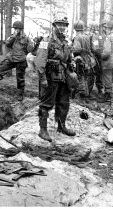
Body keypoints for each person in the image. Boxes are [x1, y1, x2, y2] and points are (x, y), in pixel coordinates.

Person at [34, 13, 76, 142]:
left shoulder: (65, 41)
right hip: (50, 77)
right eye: (59, 25)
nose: (62, 27)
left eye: (64, 25)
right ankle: (43, 130)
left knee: (64, 103)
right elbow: (40, 61)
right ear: (54, 26)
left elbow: (68, 57)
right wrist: (43, 79)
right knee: (46, 104)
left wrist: (72, 62)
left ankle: (61, 126)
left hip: (63, 76)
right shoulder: (46, 41)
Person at [0, 21, 34, 101]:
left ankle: (20, 95)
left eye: (17, 28)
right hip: (11, 58)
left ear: (21, 29)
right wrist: (14, 36)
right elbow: (7, 44)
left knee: (20, 79)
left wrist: (32, 45)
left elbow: (30, 50)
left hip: (21, 60)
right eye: (15, 28)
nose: (16, 30)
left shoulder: (27, 38)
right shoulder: (12, 37)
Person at [72, 20, 96, 101]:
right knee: (88, 77)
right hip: (89, 60)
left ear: (75, 28)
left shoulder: (77, 37)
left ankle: (82, 95)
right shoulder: (87, 37)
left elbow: (76, 49)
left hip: (80, 60)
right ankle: (87, 93)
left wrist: (71, 49)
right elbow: (93, 49)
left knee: (80, 77)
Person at [88, 21, 104, 98]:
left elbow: (97, 47)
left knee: (96, 74)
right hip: (93, 57)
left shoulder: (96, 35)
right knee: (94, 74)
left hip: (95, 57)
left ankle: (99, 90)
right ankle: (96, 90)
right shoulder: (94, 35)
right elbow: (96, 48)